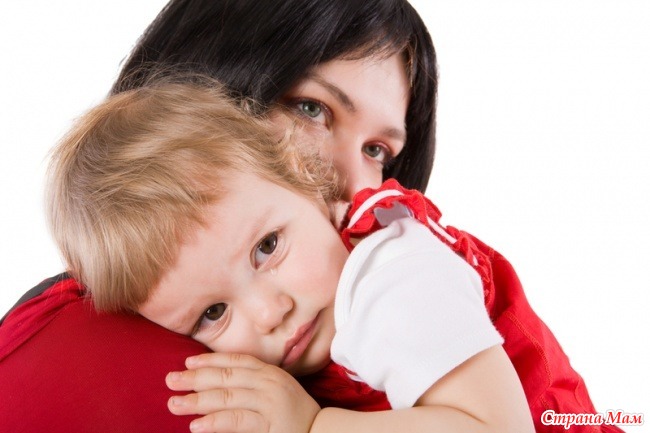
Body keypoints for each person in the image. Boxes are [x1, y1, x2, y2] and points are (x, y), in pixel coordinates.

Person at [0, 1, 622, 432]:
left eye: (377, 150)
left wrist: (316, 425)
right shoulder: (141, 294)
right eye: (313, 109)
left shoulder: (391, 274)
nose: (352, 182)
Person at [45, 78, 534, 433]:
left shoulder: (389, 278)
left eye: (267, 247)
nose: (269, 313)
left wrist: (314, 425)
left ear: (304, 179)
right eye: (213, 313)